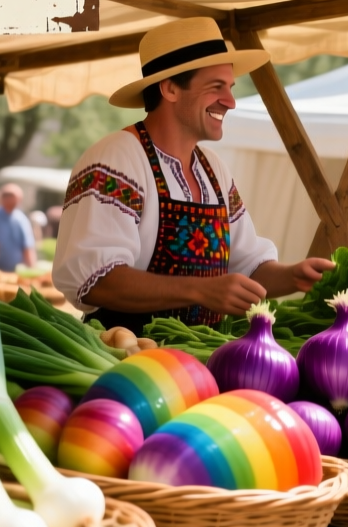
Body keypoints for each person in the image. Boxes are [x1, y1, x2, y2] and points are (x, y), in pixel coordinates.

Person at [53, 18, 333, 332]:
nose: (230, 101)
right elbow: (95, 281)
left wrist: (294, 275)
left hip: (200, 357)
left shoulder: (214, 170)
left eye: (229, 88)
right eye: (216, 87)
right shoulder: (117, 159)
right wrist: (199, 290)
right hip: (128, 357)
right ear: (170, 88)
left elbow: (247, 266)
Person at [0, 184, 38, 274]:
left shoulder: (21, 219)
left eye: (12, 196)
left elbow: (27, 247)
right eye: (6, 196)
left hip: (16, 271)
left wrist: (32, 270)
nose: (9, 199)